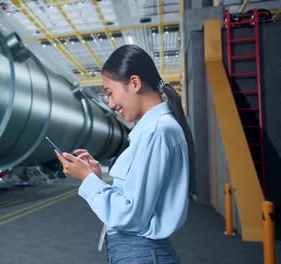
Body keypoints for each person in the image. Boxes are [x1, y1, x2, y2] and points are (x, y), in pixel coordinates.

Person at [54, 44, 195, 264]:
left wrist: (87, 180)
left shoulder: (157, 131)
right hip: (137, 252)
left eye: (110, 93)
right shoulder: (152, 131)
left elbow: (132, 216)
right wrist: (97, 177)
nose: (110, 104)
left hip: (140, 253)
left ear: (135, 83)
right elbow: (135, 202)